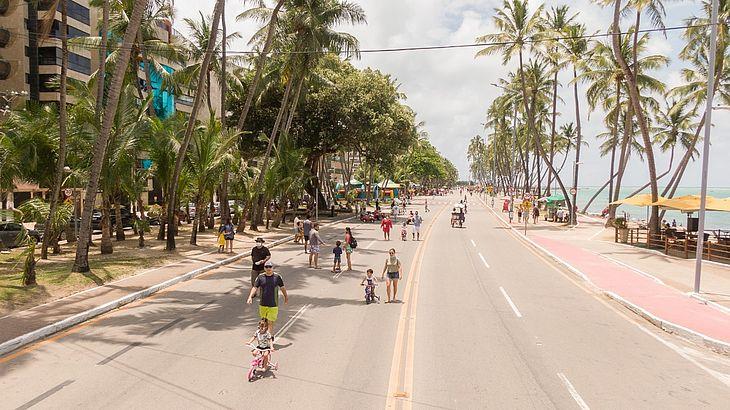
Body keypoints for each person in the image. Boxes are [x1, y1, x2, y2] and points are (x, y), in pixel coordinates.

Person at [247, 261, 288, 334]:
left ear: (273, 268)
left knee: (270, 321)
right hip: (263, 303)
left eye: (270, 267)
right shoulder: (260, 277)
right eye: (266, 267)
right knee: (264, 320)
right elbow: (255, 287)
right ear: (264, 268)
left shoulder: (277, 277)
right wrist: (250, 297)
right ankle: (264, 336)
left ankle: (270, 336)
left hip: (273, 304)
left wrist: (286, 297)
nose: (268, 268)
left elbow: (282, 288)